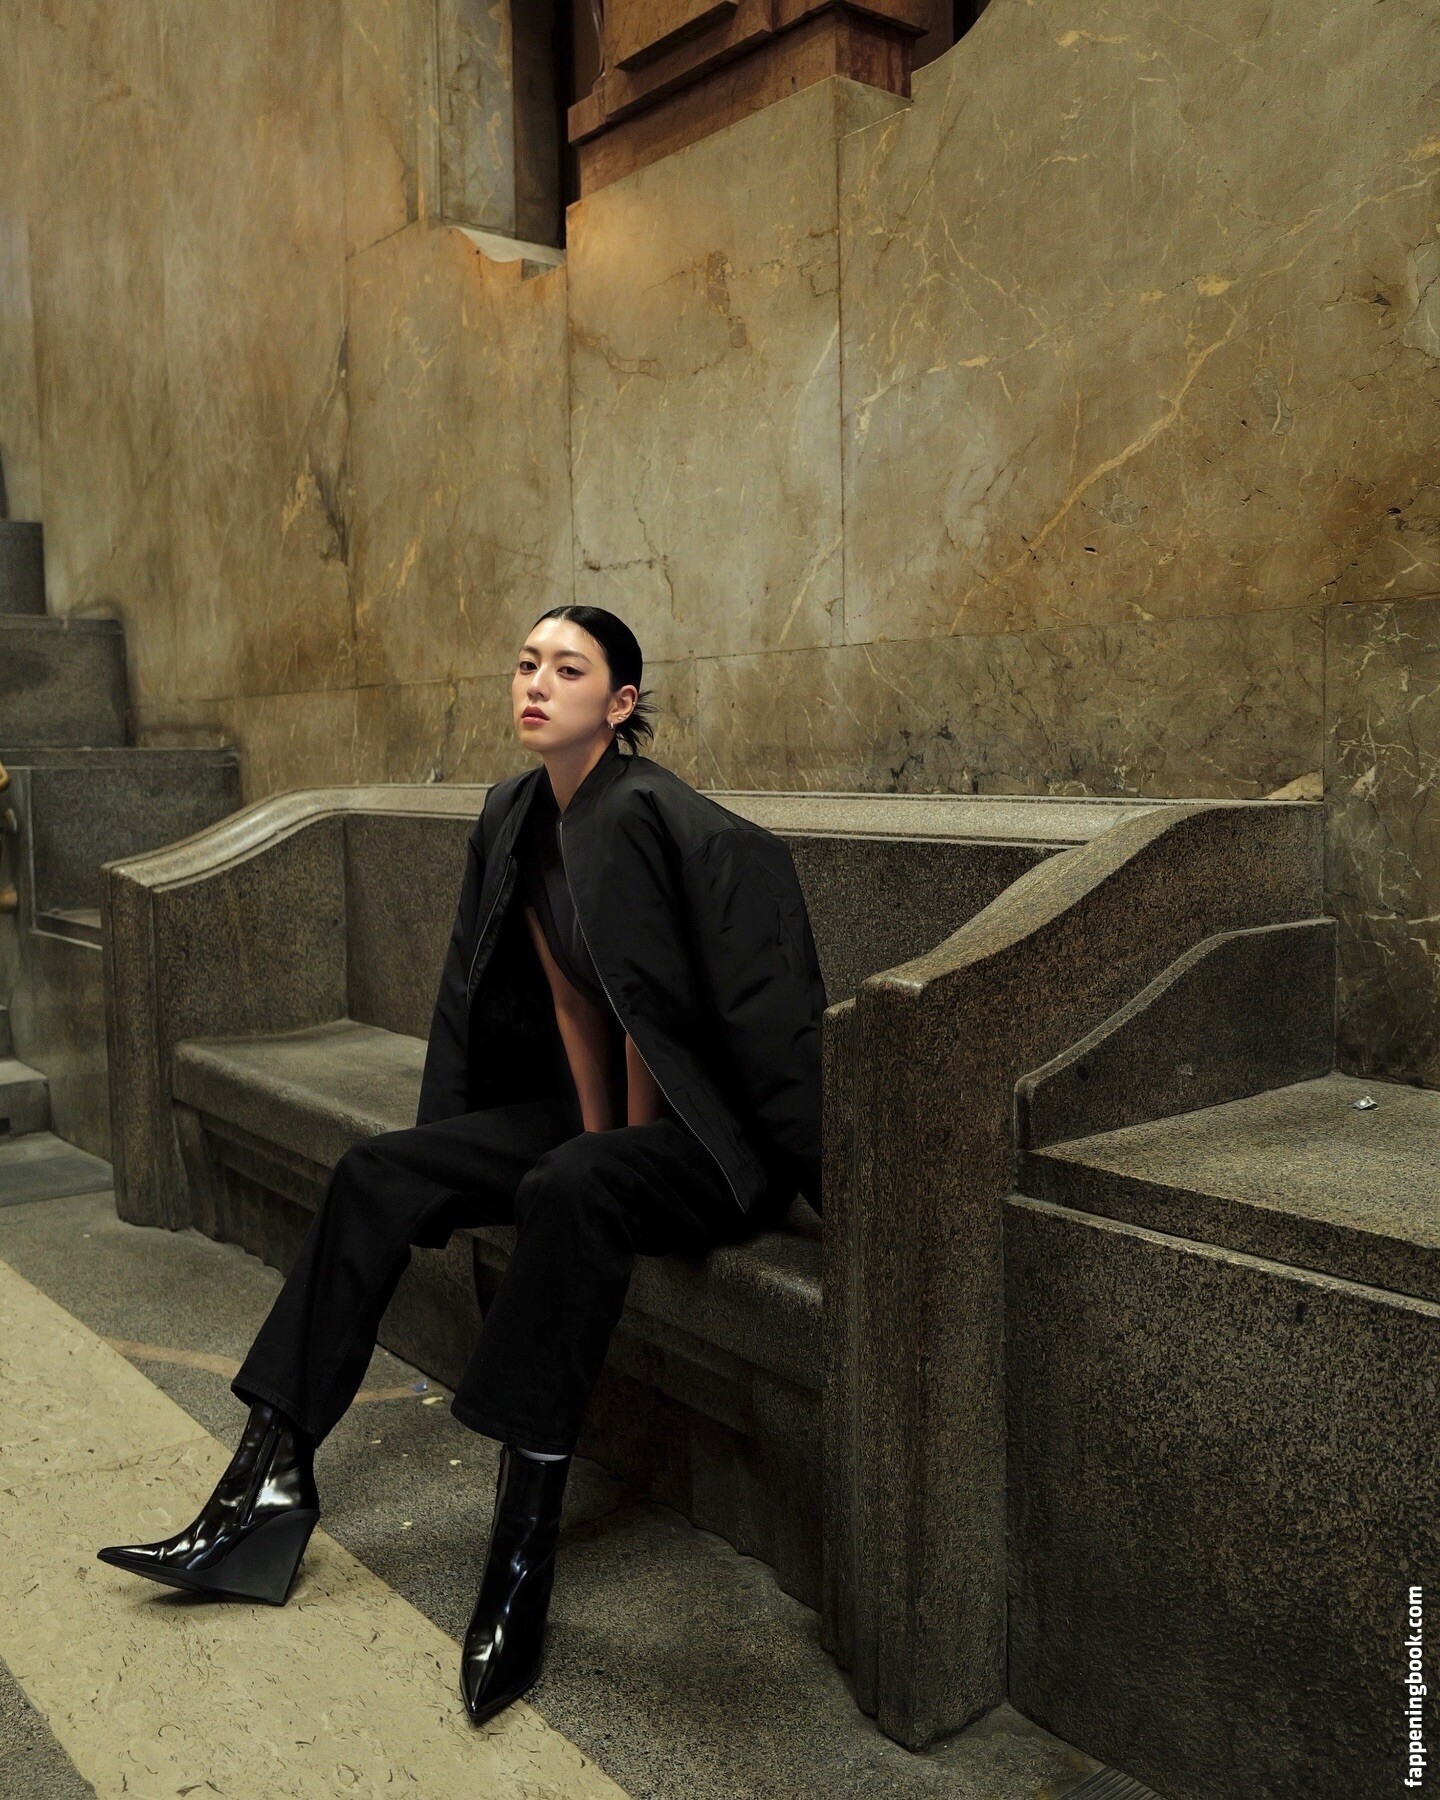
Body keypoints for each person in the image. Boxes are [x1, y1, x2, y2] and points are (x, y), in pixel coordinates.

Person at [97, 604, 828, 1726]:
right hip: (595, 1117)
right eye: (527, 663)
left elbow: (726, 1020)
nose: (536, 683)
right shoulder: (513, 814)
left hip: (704, 1136)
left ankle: (521, 1557)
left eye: (569, 669)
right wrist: (451, 1154)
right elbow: (536, 1000)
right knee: (379, 1171)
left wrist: (831, 1194)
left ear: (620, 704)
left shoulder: (671, 822)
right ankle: (264, 1491)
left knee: (569, 1184)